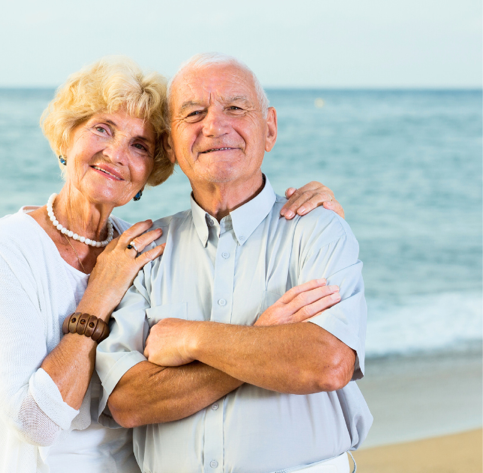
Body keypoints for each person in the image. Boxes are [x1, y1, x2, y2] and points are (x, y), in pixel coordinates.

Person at [0, 56, 345, 473]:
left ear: (154, 168)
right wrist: (99, 296)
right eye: (102, 128)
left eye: (139, 145)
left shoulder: (142, 247)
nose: (115, 154)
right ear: (65, 137)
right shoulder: (3, 248)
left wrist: (312, 213)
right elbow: (35, 421)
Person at [96, 53, 371, 473]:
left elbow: (328, 362)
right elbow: (129, 402)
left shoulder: (317, 230)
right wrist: (263, 340)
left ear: (270, 128)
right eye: (194, 113)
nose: (214, 125)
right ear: (170, 143)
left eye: (235, 108)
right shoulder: (147, 250)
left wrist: (190, 339)